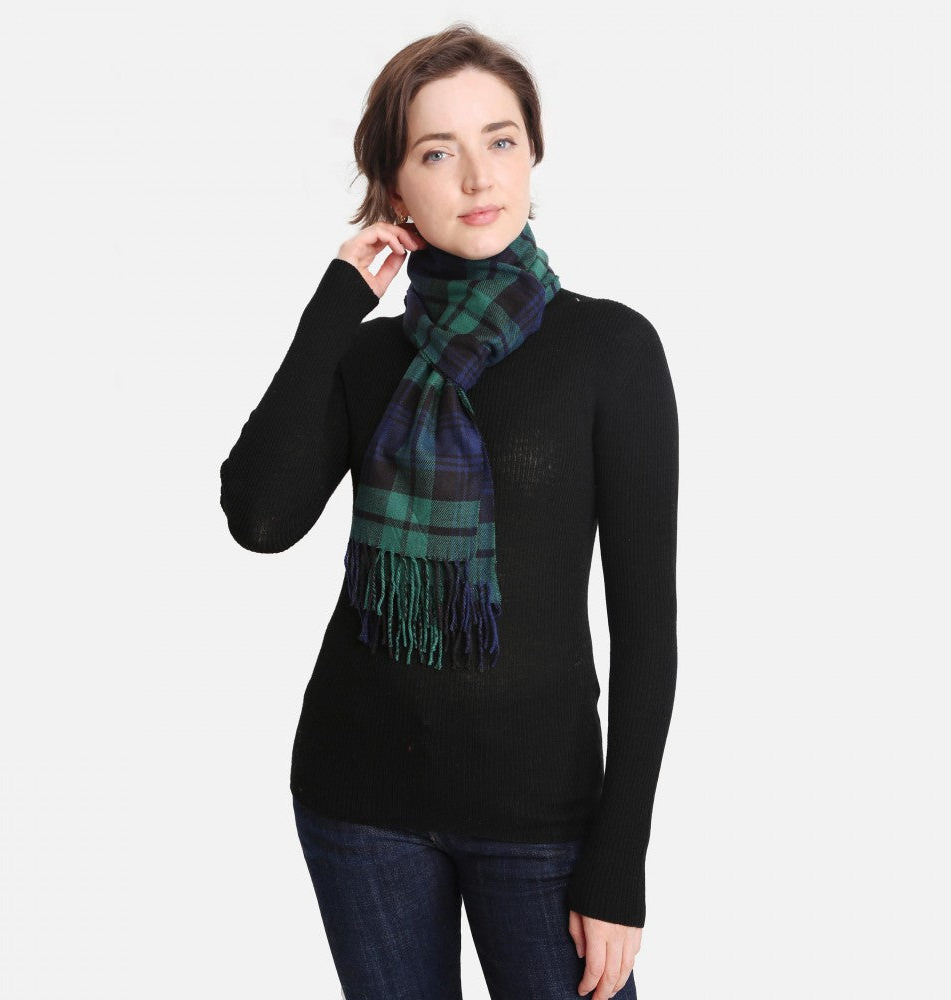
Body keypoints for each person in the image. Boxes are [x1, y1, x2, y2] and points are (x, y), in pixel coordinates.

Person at [219, 22, 679, 1000]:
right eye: (437, 152)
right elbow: (259, 518)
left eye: (499, 140)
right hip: (358, 802)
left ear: (532, 152)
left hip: (545, 819)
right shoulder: (367, 357)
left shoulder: (610, 350)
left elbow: (647, 629)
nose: (477, 176)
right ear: (395, 190)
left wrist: (619, 861)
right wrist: (335, 305)